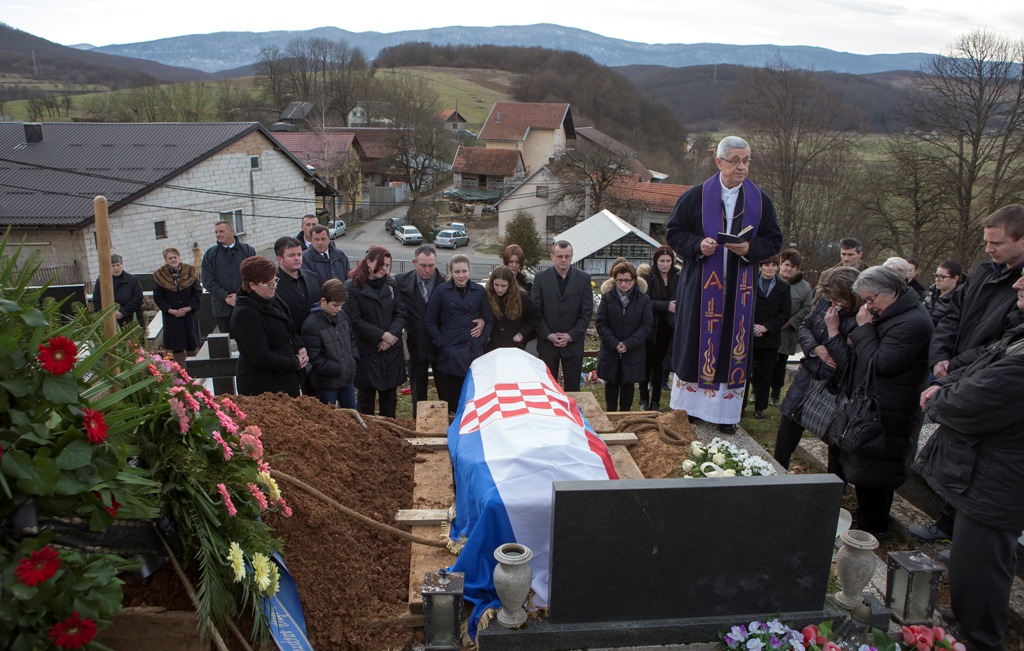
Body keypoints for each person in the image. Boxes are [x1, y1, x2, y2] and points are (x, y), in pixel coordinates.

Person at [914, 275, 1024, 651]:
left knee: (981, 564)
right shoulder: (1018, 335)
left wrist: (940, 398)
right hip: (988, 471)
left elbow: (974, 402)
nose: (1018, 283)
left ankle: (980, 638)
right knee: (975, 559)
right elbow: (980, 370)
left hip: (999, 477)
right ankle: (971, 620)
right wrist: (947, 385)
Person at [914, 206, 1024, 544]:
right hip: (953, 367)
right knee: (954, 449)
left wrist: (956, 366)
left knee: (971, 458)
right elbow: (951, 315)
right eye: (986, 241)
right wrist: (940, 356)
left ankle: (959, 533)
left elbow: (1003, 343)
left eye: (997, 243)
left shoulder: (1019, 288)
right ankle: (948, 525)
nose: (989, 249)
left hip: (980, 374)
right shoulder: (983, 271)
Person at [666, 135, 783, 433]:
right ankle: (689, 410)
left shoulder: (760, 200)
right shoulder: (695, 196)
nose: (742, 167)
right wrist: (697, 245)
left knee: (734, 345)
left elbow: (773, 239)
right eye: (735, 161)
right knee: (696, 343)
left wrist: (750, 250)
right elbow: (674, 233)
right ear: (718, 162)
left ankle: (725, 415)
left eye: (746, 161)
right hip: (701, 287)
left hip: (738, 293)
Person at [843, 266, 932, 539]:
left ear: (892, 292)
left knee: (879, 473)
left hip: (893, 410)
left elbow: (879, 363)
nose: (868, 306)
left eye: (871, 299)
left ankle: (875, 527)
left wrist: (864, 329)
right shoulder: (891, 313)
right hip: (878, 405)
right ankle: (867, 516)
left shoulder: (912, 322)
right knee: (868, 467)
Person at [773, 267, 862, 470]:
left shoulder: (861, 317)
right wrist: (816, 348)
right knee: (789, 421)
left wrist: (832, 331)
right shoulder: (825, 301)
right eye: (831, 297)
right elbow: (806, 326)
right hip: (810, 372)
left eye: (840, 299)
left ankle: (834, 487)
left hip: (836, 384)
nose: (834, 303)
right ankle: (777, 470)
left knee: (834, 436)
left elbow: (847, 362)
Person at [230, 256, 307, 397]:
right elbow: (261, 356)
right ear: (252, 285)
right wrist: (294, 362)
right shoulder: (245, 314)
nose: (274, 286)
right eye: (268, 284)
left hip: (285, 377)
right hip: (264, 384)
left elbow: (288, 328)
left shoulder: (269, 297)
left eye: (275, 281)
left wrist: (299, 346)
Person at [425, 254, 493, 413]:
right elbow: (429, 320)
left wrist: (481, 340)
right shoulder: (441, 291)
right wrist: (441, 342)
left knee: (471, 399)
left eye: (464, 271)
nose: (461, 275)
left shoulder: (479, 291)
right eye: (457, 272)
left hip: (472, 351)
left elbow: (489, 320)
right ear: (451, 272)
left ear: (470, 270)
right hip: (450, 353)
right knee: (452, 400)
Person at [344, 246, 407, 418]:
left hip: (390, 350)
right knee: (366, 398)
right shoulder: (352, 287)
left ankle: (390, 431)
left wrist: (390, 336)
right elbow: (354, 320)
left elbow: (400, 312)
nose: (385, 269)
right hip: (368, 351)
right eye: (381, 265)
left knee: (389, 396)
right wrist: (381, 335)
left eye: (387, 265)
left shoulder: (391, 284)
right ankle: (368, 435)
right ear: (369, 262)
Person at [531, 240, 594, 392]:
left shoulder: (583, 278)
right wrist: (547, 335)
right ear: (552, 256)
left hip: (573, 344)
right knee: (547, 388)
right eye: (559, 256)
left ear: (572, 256)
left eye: (567, 256)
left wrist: (571, 335)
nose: (563, 260)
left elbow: (586, 313)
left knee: (573, 389)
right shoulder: (540, 278)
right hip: (548, 344)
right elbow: (535, 311)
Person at [596, 261, 653, 412]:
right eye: (619, 280)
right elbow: (601, 323)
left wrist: (628, 344)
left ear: (634, 280)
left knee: (628, 384)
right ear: (614, 280)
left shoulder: (643, 300)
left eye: (627, 280)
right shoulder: (607, 298)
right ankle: (611, 414)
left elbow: (646, 326)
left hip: (633, 351)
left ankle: (625, 415)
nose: (623, 284)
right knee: (611, 384)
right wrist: (614, 343)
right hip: (611, 350)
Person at [395, 245, 444, 418]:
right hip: (415, 347)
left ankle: (447, 425)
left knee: (445, 392)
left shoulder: (445, 282)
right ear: (414, 262)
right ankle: (419, 424)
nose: (428, 270)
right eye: (423, 265)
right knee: (418, 393)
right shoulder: (400, 282)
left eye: (431, 265)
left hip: (440, 348)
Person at [302, 279, 358, 409]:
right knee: (329, 416)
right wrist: (336, 369)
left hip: (347, 379)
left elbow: (351, 339)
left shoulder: (342, 315)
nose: (339, 309)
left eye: (341, 305)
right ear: (323, 301)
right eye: (335, 305)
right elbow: (314, 358)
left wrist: (353, 358)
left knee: (352, 414)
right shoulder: (311, 325)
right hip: (327, 383)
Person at [747, 255, 791, 419]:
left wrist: (766, 327)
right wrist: (752, 326)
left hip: (770, 337)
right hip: (750, 335)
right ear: (760, 267)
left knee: (766, 373)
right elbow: (744, 305)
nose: (770, 268)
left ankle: (760, 406)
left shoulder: (784, 287)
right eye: (767, 265)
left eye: (773, 265)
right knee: (746, 372)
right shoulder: (749, 283)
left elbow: (785, 313)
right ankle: (741, 404)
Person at [770, 248, 814, 408]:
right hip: (766, 329)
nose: (788, 269)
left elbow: (807, 308)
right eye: (786, 265)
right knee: (761, 362)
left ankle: (775, 393)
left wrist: (788, 323)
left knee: (780, 364)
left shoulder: (804, 287)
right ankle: (756, 391)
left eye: (793, 267)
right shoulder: (769, 279)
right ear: (781, 264)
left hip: (786, 332)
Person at [640, 245, 679, 411]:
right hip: (650, 328)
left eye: (668, 261)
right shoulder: (648, 277)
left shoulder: (678, 276)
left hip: (668, 328)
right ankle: (643, 399)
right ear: (656, 261)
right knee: (645, 364)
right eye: (662, 261)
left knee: (660, 366)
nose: (665, 264)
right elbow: (644, 301)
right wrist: (665, 306)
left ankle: (656, 400)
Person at [202, 220, 255, 336]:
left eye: (221, 231)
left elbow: (253, 276)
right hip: (222, 309)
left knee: (248, 338)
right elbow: (207, 281)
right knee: (228, 345)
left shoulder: (247, 251)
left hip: (245, 305)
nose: (218, 234)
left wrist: (239, 295)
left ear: (231, 231)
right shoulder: (211, 254)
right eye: (216, 232)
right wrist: (225, 296)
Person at [152, 247, 202, 366]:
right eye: (170, 258)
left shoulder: (190, 272)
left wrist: (189, 307)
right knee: (177, 346)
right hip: (172, 317)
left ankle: (195, 368)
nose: (173, 260)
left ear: (179, 257)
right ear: (166, 260)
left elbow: (197, 292)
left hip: (189, 315)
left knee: (192, 344)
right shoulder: (160, 276)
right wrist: (170, 310)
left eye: (175, 257)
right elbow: (158, 297)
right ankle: (182, 370)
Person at [274, 236, 321, 337]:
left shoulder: (313, 277)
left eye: (299, 254)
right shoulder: (272, 285)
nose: (297, 258)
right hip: (290, 341)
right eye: (291, 255)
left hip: (317, 339)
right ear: (279, 259)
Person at [485, 265, 539, 351]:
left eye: (503, 286)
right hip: (492, 346)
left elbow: (536, 316)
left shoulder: (521, 295)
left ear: (510, 284)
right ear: (492, 283)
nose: (499, 289)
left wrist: (521, 334)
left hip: (514, 346)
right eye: (496, 285)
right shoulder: (486, 295)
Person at [92, 254, 145, 331]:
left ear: (122, 265)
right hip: (109, 321)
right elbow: (96, 300)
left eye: (118, 265)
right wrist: (108, 314)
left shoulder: (132, 280)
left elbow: (138, 298)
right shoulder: (101, 282)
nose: (116, 268)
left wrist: (122, 312)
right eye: (113, 266)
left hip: (131, 319)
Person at [924, 260, 964, 325]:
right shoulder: (931, 294)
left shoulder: (959, 302)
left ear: (955, 278)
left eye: (942, 277)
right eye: (936, 275)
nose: (937, 279)